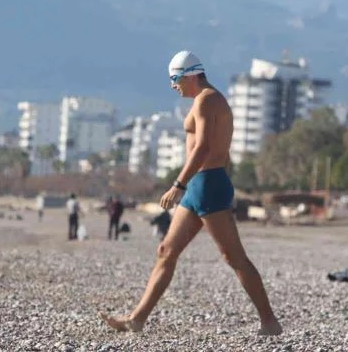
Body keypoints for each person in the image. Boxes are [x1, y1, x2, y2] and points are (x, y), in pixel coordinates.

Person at [98, 50, 282, 336]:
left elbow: (204, 147)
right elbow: (220, 150)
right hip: (200, 186)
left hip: (206, 185)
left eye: (176, 78)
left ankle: (269, 322)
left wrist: (178, 184)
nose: (173, 85)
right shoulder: (203, 100)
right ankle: (136, 319)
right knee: (166, 251)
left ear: (192, 74)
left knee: (234, 257)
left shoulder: (208, 99)